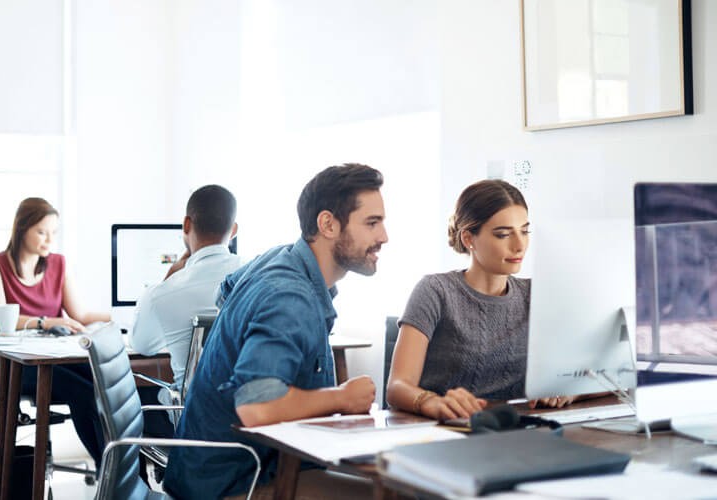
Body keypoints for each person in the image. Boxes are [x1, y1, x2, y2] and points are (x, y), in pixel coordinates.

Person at [163, 164, 388, 499]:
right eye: (372, 223)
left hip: (214, 473)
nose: (383, 236)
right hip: (234, 484)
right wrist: (341, 397)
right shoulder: (290, 296)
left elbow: (224, 293)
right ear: (327, 224)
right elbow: (257, 408)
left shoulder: (281, 258)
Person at [386, 179, 574, 421]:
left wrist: (568, 392)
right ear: (468, 239)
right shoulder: (435, 290)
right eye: (503, 234)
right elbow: (397, 387)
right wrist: (431, 402)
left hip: (513, 430)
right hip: (443, 429)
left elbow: (591, 375)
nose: (519, 245)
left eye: (525, 231)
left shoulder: (536, 295)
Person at [0, 197, 110, 467]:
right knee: (83, 392)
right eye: (41, 232)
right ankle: (110, 470)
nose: (49, 240)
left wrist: (122, 315)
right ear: (21, 229)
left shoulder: (59, 264)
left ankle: (124, 471)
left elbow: (81, 316)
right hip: (14, 365)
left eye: (54, 232)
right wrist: (46, 321)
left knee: (103, 379)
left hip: (55, 357)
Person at [129, 184, 241, 432]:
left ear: (186, 225)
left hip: (195, 428)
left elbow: (142, 345)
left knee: (143, 397)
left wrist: (168, 278)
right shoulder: (258, 275)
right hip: (252, 424)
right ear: (233, 231)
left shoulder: (163, 293)